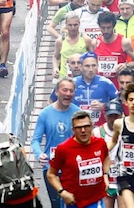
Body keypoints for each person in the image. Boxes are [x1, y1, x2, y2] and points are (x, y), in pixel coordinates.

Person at [31, 78, 80, 208]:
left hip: (73, 167)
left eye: (71, 91)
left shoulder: (78, 113)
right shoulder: (45, 114)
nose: (68, 93)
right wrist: (39, 154)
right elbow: (36, 140)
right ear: (57, 92)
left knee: (73, 203)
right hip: (51, 167)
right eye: (65, 90)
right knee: (56, 204)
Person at [47, 110, 110, 208]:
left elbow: (106, 157)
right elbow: (51, 174)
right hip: (72, 202)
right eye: (78, 128)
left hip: (95, 200)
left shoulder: (100, 143)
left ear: (92, 127)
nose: (83, 130)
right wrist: (62, 192)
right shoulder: (63, 148)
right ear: (73, 130)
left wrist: (105, 175)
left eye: (86, 126)